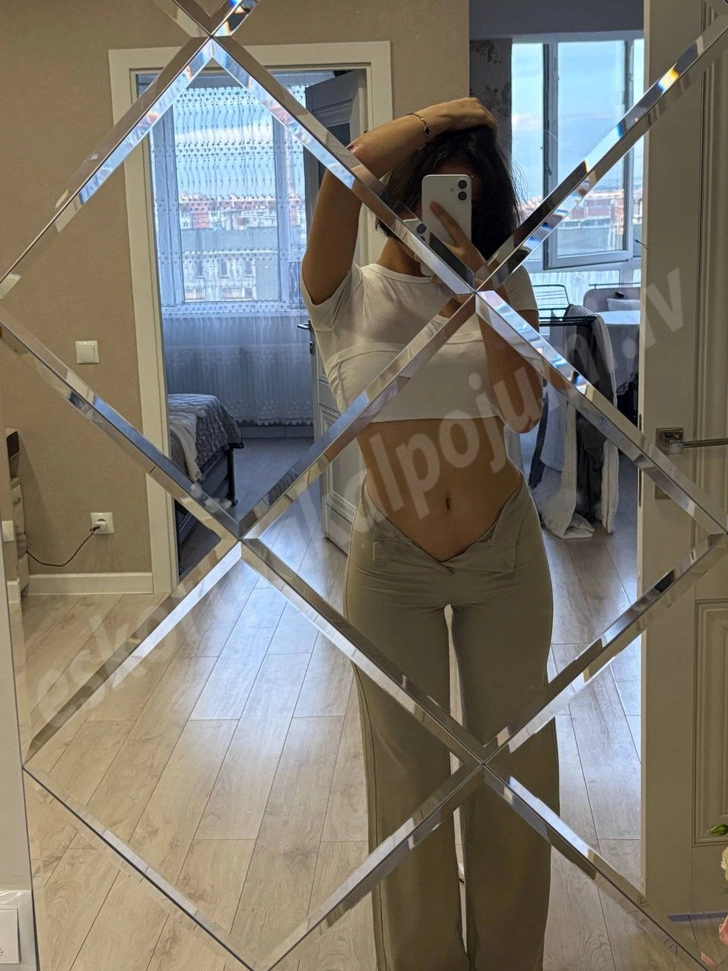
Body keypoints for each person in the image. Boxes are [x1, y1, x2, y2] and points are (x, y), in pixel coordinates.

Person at [300, 97, 559, 971]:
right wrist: (450, 117)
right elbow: (345, 174)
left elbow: (522, 412)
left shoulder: (503, 285)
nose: (441, 218)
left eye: (464, 201)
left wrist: (482, 291)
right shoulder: (346, 294)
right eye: (429, 196)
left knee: (514, 772)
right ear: (401, 196)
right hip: (391, 566)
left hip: (504, 556)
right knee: (406, 783)